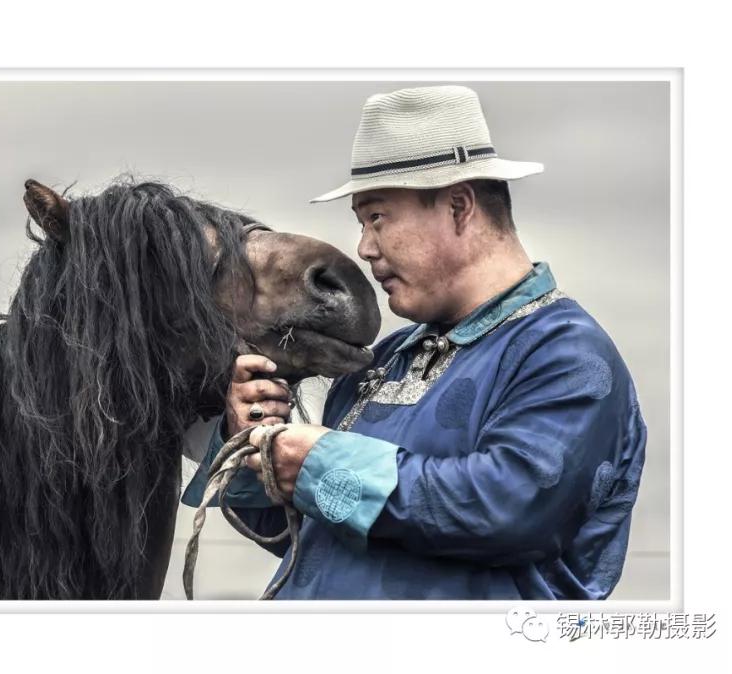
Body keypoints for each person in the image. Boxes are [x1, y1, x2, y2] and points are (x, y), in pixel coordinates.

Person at [181, 85, 647, 599]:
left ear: (458, 207)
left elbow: (512, 510)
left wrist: (319, 461)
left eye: (377, 217)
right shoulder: (384, 358)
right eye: (361, 223)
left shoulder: (566, 353)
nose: (364, 247)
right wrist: (257, 443)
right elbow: (311, 537)